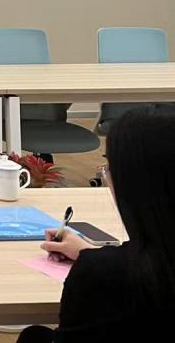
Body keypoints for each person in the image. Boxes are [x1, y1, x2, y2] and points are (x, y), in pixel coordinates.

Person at [17, 105, 175, 341]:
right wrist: (90, 253)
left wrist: (97, 261)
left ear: (133, 183)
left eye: (109, 168)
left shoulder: (103, 273)